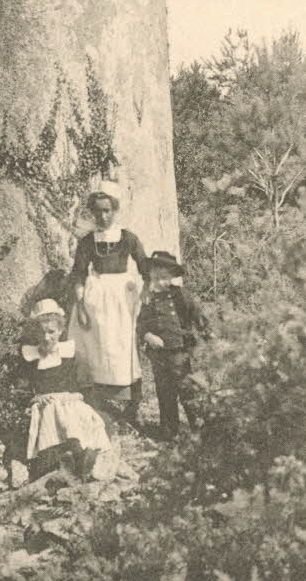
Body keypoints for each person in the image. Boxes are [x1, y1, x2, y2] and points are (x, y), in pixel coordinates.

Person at [68, 181, 147, 428]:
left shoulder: (128, 238)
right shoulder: (88, 241)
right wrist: (80, 304)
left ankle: (131, 403)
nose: (102, 216)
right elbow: (79, 273)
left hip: (122, 297)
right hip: (96, 296)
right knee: (95, 343)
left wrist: (146, 292)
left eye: (107, 210)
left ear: (115, 210)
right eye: (98, 211)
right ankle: (96, 401)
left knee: (122, 345)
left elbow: (145, 267)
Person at [20, 299, 114, 481]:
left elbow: (85, 385)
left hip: (70, 401)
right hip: (44, 404)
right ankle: (55, 461)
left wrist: (77, 396)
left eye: (51, 332)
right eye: (41, 332)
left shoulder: (69, 354)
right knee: (51, 412)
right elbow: (22, 387)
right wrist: (35, 399)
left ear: (61, 331)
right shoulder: (30, 357)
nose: (46, 337)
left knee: (75, 415)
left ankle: (82, 457)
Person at [137, 250, 209, 441]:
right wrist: (148, 335)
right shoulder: (148, 299)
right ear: (151, 275)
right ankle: (169, 431)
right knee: (164, 391)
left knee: (186, 388)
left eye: (166, 278)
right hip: (158, 355)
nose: (161, 282)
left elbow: (196, 314)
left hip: (179, 351)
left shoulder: (180, 295)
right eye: (157, 278)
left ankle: (198, 426)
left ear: (172, 277)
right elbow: (141, 324)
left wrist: (206, 332)